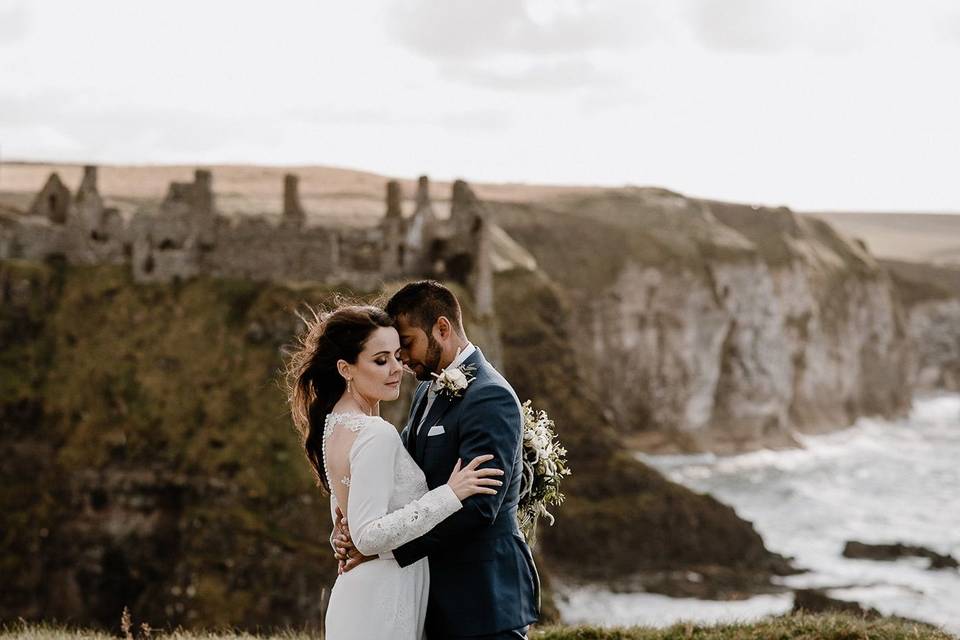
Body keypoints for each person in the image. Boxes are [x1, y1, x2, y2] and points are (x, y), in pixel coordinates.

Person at [334, 281, 540, 639]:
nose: (402, 359)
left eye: (407, 344)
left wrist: (386, 550)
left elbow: (480, 507)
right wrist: (353, 526)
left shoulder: (489, 396)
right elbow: (404, 477)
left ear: (442, 328)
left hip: (483, 595)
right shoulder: (427, 389)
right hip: (439, 593)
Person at [286, 304, 504, 639]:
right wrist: (450, 493)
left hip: (359, 591)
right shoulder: (376, 434)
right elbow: (368, 535)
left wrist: (340, 536)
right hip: (383, 596)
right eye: (380, 360)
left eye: (397, 356)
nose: (396, 369)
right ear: (345, 368)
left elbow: (349, 516)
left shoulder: (333, 426)